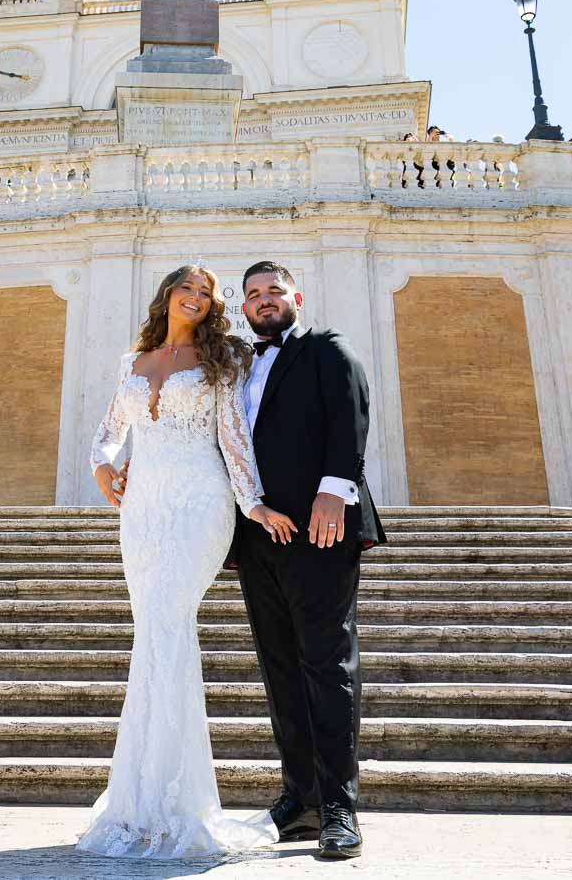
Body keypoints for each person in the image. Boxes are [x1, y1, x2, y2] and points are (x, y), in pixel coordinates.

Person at [77, 265, 290, 860]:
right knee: (152, 636)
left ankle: (183, 805)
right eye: (187, 289)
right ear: (168, 295)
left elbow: (233, 437)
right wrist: (102, 468)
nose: (196, 299)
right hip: (142, 508)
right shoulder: (132, 361)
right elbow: (107, 434)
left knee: (169, 627)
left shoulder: (219, 360)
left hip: (200, 502)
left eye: (206, 293)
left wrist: (253, 502)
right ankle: (138, 802)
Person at [235, 261, 387, 860]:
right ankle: (299, 798)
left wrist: (335, 489)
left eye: (274, 290)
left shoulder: (326, 347)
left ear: (295, 296)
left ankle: (339, 805)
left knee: (327, 662)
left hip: (322, 527)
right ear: (243, 308)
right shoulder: (242, 365)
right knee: (279, 667)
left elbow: (351, 414)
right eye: (253, 295)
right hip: (257, 534)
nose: (264, 300)